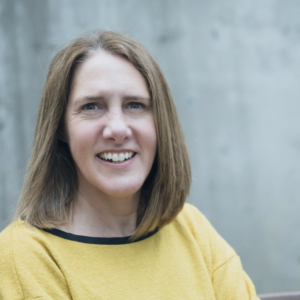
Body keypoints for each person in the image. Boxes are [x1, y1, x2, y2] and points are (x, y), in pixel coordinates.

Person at [0, 31, 259, 299]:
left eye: (135, 105)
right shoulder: (26, 256)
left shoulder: (191, 228)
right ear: (60, 129)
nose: (118, 129)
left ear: (161, 123)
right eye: (91, 107)